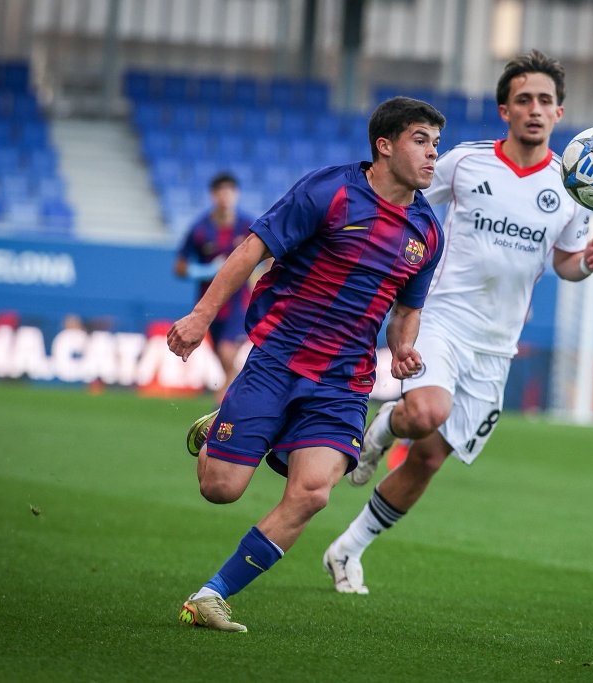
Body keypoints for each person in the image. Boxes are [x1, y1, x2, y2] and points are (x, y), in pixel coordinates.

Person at [323, 50, 593, 595]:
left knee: (430, 458)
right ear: (505, 110)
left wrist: (588, 264)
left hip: (497, 344)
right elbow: (402, 195)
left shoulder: (574, 187)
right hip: (442, 317)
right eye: (524, 99)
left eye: (545, 101)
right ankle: (386, 426)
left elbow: (566, 264)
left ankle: (348, 548)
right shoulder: (464, 162)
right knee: (427, 411)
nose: (535, 109)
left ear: (559, 112)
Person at [167, 96, 446, 632]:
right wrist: (201, 316)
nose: (433, 153)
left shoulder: (427, 233)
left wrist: (403, 347)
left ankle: (211, 595)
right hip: (278, 360)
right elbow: (252, 250)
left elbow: (406, 311)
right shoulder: (330, 190)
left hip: (344, 382)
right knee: (220, 488)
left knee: (314, 491)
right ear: (384, 146)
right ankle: (225, 427)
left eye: (436, 143)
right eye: (420, 140)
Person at [174, 171, 256, 404]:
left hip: (239, 302)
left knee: (228, 353)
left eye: (230, 192)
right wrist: (204, 271)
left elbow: (271, 254)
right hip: (210, 305)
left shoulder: (247, 225)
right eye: (221, 192)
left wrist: (264, 278)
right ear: (213, 195)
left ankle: (222, 406)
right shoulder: (200, 229)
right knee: (224, 360)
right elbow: (179, 266)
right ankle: (237, 400)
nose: (225, 197)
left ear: (236, 194)